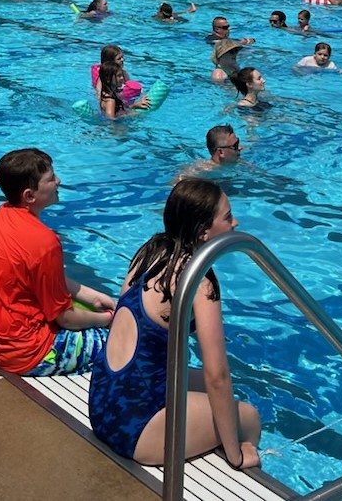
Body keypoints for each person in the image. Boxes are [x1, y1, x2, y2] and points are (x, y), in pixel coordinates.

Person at [88, 179, 261, 468]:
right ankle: (244, 467)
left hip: (102, 405)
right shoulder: (199, 282)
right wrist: (236, 454)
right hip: (136, 430)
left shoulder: (151, 252)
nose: (235, 222)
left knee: (217, 394)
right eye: (227, 216)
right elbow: (217, 374)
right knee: (248, 417)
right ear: (203, 231)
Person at [0, 148, 116, 375]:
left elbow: (39, 274)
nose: (59, 180)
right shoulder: (44, 242)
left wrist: (91, 296)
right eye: (51, 178)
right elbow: (66, 318)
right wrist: (106, 319)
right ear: (29, 196)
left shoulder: (3, 214)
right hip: (28, 352)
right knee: (130, 341)